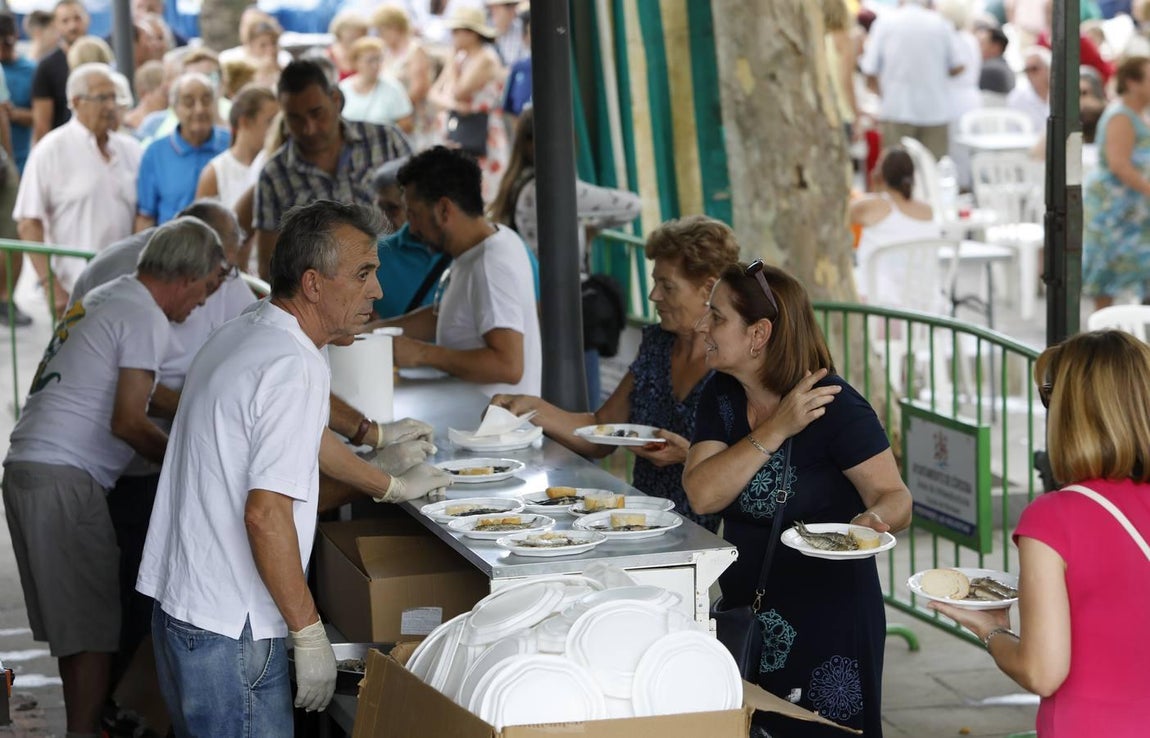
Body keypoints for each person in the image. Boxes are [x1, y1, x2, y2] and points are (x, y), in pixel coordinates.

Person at [136, 201, 453, 735]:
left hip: (185, 608)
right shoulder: (292, 365)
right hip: (232, 628)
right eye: (363, 274)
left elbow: (303, 439)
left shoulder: (252, 329)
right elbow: (265, 515)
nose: (378, 291)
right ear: (312, 283)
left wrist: (385, 478)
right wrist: (308, 632)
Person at [2, 216, 227, 738]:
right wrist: (193, 464)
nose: (202, 303)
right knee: (94, 631)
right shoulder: (144, 314)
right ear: (187, 277)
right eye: (207, 288)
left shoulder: (109, 295)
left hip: (30, 470)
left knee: (81, 629)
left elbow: (136, 394)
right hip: (63, 478)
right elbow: (128, 420)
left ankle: (83, 728)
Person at [682, 261, 912, 737]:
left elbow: (896, 496)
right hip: (748, 613)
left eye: (717, 316)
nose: (702, 325)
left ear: (759, 334)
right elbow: (702, 494)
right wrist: (776, 428)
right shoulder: (721, 395)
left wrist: (872, 518)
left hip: (830, 622)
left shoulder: (835, 406)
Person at [931, 330, 1150, 737]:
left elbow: (1042, 672)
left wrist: (990, 629)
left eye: (1051, 396)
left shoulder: (1054, 518)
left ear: (1070, 413)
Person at [492, 216, 740, 531]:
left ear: (708, 289)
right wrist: (531, 407)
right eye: (655, 282)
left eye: (667, 286)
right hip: (639, 523)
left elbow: (755, 467)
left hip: (705, 535)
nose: (654, 296)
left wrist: (687, 456)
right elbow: (602, 431)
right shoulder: (657, 344)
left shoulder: (734, 364)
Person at [380, 146, 541, 396]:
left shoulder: (491, 265)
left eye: (415, 215)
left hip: (493, 420)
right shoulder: (485, 244)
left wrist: (423, 354)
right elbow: (447, 316)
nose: (411, 228)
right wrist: (373, 333)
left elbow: (508, 366)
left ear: (444, 209)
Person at [253, 59, 411, 279]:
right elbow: (270, 267)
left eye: (316, 113)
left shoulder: (386, 141)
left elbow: (424, 218)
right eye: (295, 119)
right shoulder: (275, 175)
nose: (309, 129)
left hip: (402, 279)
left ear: (336, 100)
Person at [14, 62, 143, 313]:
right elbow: (28, 223)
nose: (110, 106)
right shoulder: (51, 150)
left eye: (113, 97)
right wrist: (50, 285)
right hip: (75, 291)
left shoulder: (130, 149)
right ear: (76, 101)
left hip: (128, 289)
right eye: (102, 98)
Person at [1082, 56, 1150, 310]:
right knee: (1107, 275)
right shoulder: (1120, 116)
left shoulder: (1140, 113)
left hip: (1135, 209)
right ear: (1132, 82)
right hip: (1113, 209)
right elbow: (1119, 164)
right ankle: (1104, 330)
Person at [859, 0, 965, 160]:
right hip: (935, 110)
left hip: (896, 110)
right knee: (932, 169)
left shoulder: (885, 23)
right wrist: (934, 72)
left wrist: (882, 95)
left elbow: (869, 69)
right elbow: (959, 66)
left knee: (896, 170)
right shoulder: (940, 24)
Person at [429, 6, 509, 202]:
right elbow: (433, 95)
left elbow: (459, 91)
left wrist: (451, 62)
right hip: (458, 126)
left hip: (481, 131)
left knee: (482, 189)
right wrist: (455, 105)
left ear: (472, 33)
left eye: (457, 31)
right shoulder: (460, 57)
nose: (453, 36)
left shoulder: (485, 58)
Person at [136, 72, 231, 230]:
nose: (199, 109)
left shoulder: (230, 144)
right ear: (174, 108)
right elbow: (146, 217)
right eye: (189, 102)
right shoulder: (155, 153)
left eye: (206, 101)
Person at [850, 146, 941, 304]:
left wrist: (876, 187)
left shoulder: (871, 207)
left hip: (881, 308)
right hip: (927, 308)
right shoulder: (928, 211)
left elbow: (835, 219)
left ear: (880, 174)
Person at [370, 156, 451, 320]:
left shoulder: (465, 250)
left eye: (392, 208)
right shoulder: (374, 256)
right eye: (381, 208)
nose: (384, 219)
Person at [0, 11, 34, 327]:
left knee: (12, 234)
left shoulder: (29, 69)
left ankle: (6, 298)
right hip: (9, 164)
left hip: (18, 161)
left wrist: (11, 164)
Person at [195, 84, 278, 209]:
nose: (276, 129)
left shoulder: (276, 165)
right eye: (271, 121)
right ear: (245, 122)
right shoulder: (215, 173)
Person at [373, 4, 435, 150]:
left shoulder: (415, 50)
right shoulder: (386, 52)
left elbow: (419, 88)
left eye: (382, 30)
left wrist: (398, 110)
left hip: (413, 118)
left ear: (394, 27)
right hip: (393, 119)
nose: (380, 35)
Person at [31, 0, 89, 143]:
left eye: (77, 18)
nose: (72, 26)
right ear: (55, 24)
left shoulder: (100, 57)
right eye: (65, 21)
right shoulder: (46, 67)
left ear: (87, 19)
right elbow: (42, 125)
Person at [338, 36, 414, 131]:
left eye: (379, 59)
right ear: (356, 62)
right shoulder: (343, 88)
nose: (375, 65)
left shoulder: (393, 87)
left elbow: (406, 123)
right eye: (370, 61)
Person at [1008, 46, 1051, 134]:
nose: (1030, 74)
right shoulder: (1017, 98)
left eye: (1034, 69)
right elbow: (1012, 132)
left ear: (1048, 69)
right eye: (1026, 70)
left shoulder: (1063, 95)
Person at [326, 10, 369, 80]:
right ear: (340, 34)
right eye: (351, 38)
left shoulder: (368, 56)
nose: (355, 42)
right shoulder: (328, 56)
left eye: (359, 37)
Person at [975, 24, 1015, 94]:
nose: (977, 48)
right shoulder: (1002, 66)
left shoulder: (990, 69)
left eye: (982, 43)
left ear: (996, 47)